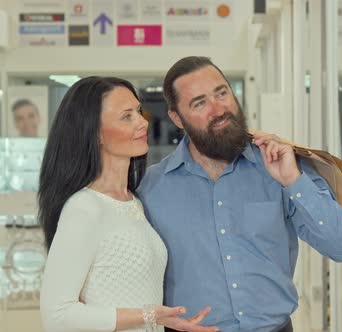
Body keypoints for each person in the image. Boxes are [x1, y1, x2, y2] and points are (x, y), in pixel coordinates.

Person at [138, 56, 342, 332]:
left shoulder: (281, 167)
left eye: (222, 93)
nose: (218, 109)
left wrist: (294, 180)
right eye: (200, 103)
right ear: (177, 118)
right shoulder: (151, 189)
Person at [38, 76, 218, 332]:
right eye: (127, 116)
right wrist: (147, 315)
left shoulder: (134, 202)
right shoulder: (84, 208)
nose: (143, 122)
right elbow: (56, 316)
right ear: (95, 133)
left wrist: (161, 319)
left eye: (138, 111)